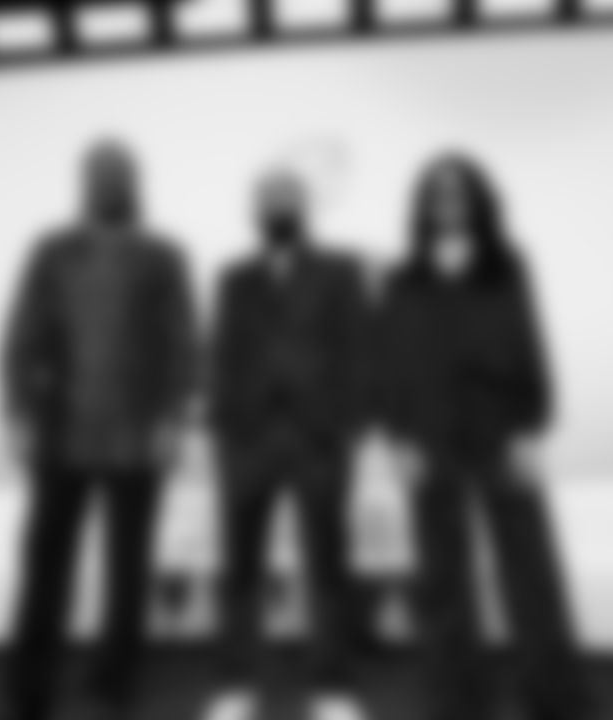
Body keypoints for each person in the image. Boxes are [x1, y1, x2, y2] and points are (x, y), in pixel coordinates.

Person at [369, 151, 600, 720]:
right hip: (428, 435)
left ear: (476, 199)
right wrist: (397, 438)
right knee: (442, 577)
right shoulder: (400, 278)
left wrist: (530, 428)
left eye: (458, 190)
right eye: (436, 191)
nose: (447, 200)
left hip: (501, 427)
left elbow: (531, 344)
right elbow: (385, 363)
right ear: (423, 204)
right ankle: (458, 702)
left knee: (531, 572)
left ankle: (555, 699)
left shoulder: (509, 267)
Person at [0, 138, 197, 720]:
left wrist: (173, 419)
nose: (109, 182)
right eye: (99, 172)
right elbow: (21, 335)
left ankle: (116, 680)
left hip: (139, 433)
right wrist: (17, 412)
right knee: (45, 563)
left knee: (128, 566)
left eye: (119, 173)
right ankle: (31, 683)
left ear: (135, 183)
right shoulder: (51, 251)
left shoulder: (164, 254)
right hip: (61, 431)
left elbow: (184, 342)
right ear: (83, 183)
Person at [202, 169, 372, 720]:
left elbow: (358, 347)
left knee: (328, 567)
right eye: (268, 199)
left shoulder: (342, 270)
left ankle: (333, 690)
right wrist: (222, 428)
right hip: (246, 441)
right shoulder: (233, 277)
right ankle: (234, 686)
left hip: (319, 439)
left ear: (305, 207)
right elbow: (219, 353)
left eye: (288, 198)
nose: (278, 207)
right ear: (256, 211)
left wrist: (348, 425)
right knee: (239, 569)